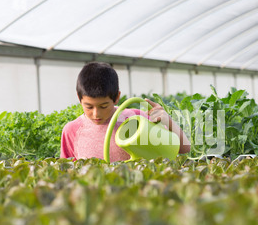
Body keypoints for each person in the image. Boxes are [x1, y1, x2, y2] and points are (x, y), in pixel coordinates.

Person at [60, 62, 191, 162]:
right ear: (79, 98)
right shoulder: (72, 130)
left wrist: (167, 121)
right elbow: (67, 171)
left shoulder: (136, 119)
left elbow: (183, 148)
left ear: (117, 97)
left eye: (103, 106)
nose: (96, 114)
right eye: (89, 107)